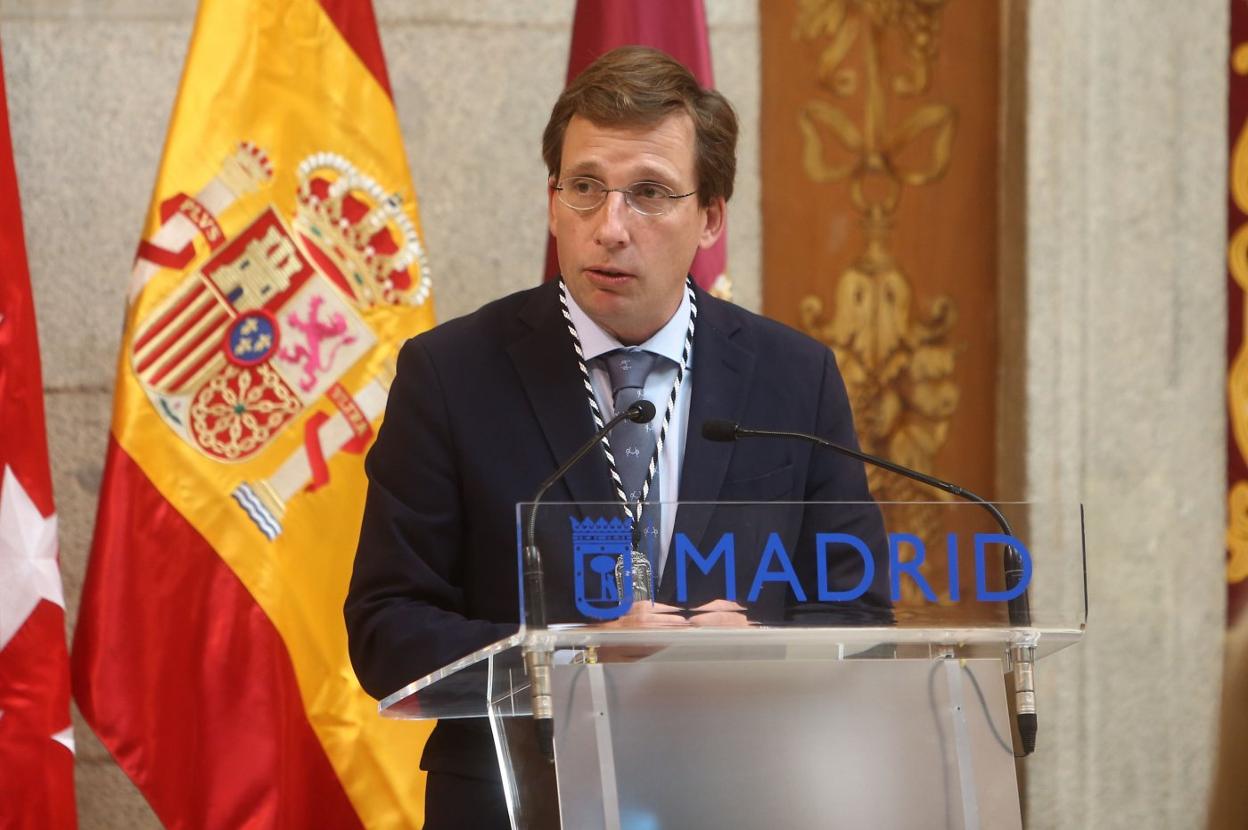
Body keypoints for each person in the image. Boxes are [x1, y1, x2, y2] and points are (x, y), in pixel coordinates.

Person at [345, 45, 889, 828]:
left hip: (743, 796)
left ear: (711, 217)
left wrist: (762, 648)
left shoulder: (791, 377)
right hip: (515, 800)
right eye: (587, 188)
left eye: (649, 194)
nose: (610, 227)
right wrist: (570, 657)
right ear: (551, 201)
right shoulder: (451, 374)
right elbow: (388, 629)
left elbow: (861, 613)